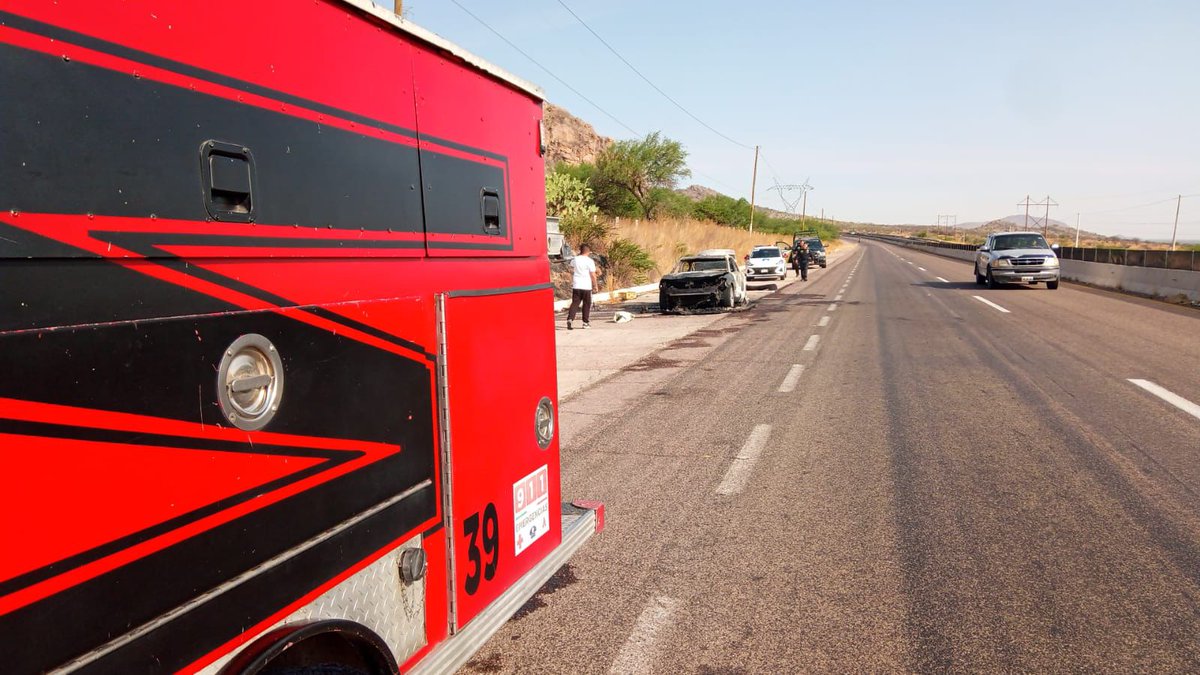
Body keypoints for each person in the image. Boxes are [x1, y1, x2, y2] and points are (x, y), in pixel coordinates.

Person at [567, 243, 598, 329]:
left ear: (580, 251)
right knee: (586, 304)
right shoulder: (590, 261)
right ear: (588, 252)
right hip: (586, 286)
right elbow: (593, 274)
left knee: (575, 303)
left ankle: (570, 319)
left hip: (576, 285)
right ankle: (585, 323)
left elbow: (571, 265)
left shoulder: (575, 259)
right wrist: (595, 285)